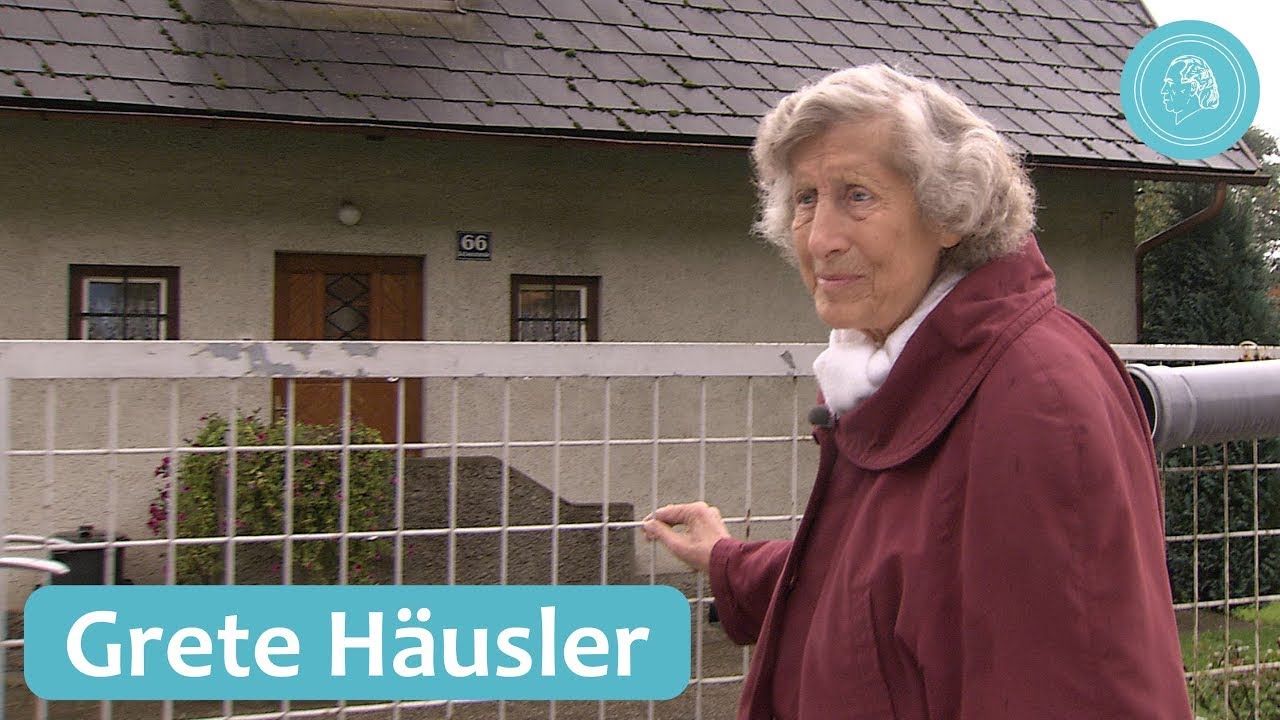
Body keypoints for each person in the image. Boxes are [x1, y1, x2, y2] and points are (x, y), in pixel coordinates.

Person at [643, 65, 1191, 720]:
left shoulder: (1031, 401)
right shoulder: (895, 373)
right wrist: (727, 562)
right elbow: (879, 583)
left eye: (858, 196)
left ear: (949, 213)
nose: (820, 238)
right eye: (806, 198)